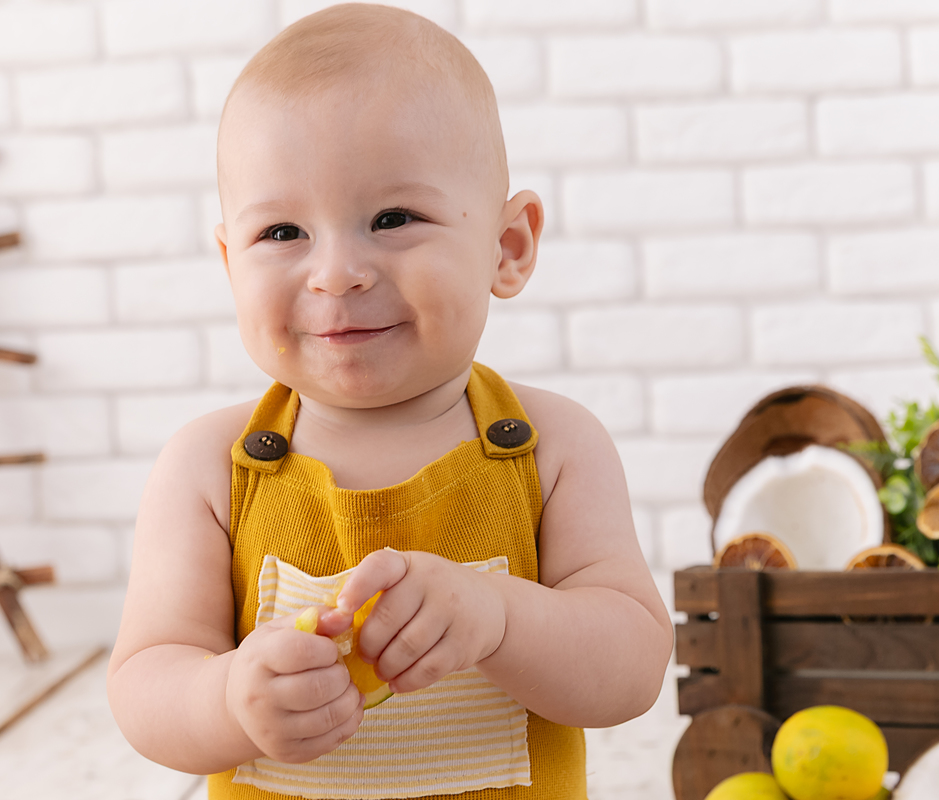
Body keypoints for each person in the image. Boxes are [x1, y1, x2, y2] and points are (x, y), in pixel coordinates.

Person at [107, 4, 673, 798]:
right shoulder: (210, 469)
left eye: (392, 218)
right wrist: (228, 698)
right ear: (230, 262)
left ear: (508, 248)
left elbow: (631, 671)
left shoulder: (552, 448)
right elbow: (144, 683)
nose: (337, 272)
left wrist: (499, 614)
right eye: (282, 233)